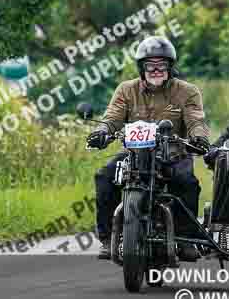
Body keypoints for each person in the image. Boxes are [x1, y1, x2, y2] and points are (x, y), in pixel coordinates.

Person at [86, 36, 210, 261]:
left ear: (170, 67)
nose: (155, 70)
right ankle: (107, 239)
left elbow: (195, 120)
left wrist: (199, 138)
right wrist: (101, 132)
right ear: (141, 68)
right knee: (104, 176)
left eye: (161, 65)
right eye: (150, 66)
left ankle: (185, 240)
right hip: (134, 153)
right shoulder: (126, 90)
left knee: (187, 183)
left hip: (173, 154)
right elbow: (113, 117)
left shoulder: (187, 91)